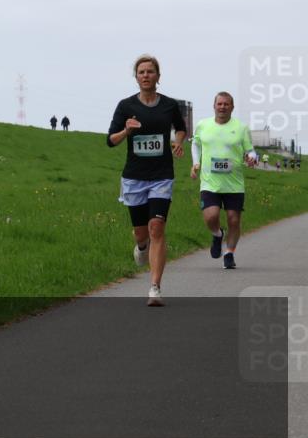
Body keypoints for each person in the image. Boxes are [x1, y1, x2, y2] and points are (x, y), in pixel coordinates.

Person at [106, 54, 187, 306]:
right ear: (136, 77)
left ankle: (155, 287)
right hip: (134, 177)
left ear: (158, 76)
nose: (145, 75)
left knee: (157, 228)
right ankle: (142, 247)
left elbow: (181, 128)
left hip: (161, 176)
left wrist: (178, 141)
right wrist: (127, 131)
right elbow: (110, 140)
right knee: (142, 233)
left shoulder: (169, 105)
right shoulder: (125, 106)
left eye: (150, 71)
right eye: (141, 72)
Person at [191, 92, 258, 269]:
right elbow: (195, 144)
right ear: (214, 106)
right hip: (209, 182)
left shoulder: (241, 128)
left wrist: (252, 158)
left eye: (226, 104)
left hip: (234, 183)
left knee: (233, 220)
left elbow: (250, 150)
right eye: (219, 104)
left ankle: (229, 253)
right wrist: (195, 163)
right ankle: (217, 234)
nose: (222, 107)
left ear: (232, 107)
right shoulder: (203, 125)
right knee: (211, 216)